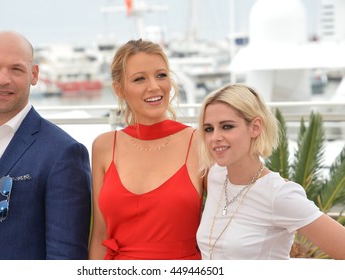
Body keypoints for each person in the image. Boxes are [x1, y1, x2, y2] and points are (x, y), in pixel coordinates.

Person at [0, 30, 92, 259]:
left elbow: (65, 257)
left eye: (16, 69)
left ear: (34, 74)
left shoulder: (63, 153)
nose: (3, 79)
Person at [196, 83, 345, 260]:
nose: (215, 138)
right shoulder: (215, 177)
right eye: (208, 129)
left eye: (227, 126)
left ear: (255, 127)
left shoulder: (278, 194)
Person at [89, 39, 203, 260]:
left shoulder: (198, 142)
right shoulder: (103, 147)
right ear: (119, 89)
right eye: (140, 79)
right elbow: (99, 236)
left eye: (161, 75)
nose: (154, 86)